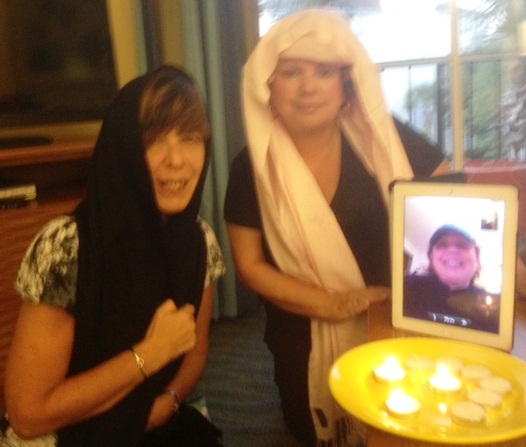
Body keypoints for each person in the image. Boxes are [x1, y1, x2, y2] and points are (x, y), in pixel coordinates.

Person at [223, 9, 449, 447]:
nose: (308, 87)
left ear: (345, 84)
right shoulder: (250, 167)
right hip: (303, 335)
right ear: (268, 85)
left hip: (394, 321)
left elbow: (454, 202)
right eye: (292, 72)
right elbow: (249, 265)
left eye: (324, 72)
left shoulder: (384, 137)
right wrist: (334, 304)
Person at [3, 66, 225, 447]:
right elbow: (28, 415)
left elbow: (196, 349)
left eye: (190, 138)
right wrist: (147, 355)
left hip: (154, 418)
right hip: (62, 435)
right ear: (124, 148)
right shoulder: (68, 247)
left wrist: (170, 402)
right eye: (154, 139)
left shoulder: (199, 240)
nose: (177, 159)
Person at [404, 224, 498, 333]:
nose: (452, 250)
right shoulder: (406, 287)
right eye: (442, 245)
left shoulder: (495, 307)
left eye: (462, 245)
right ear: (431, 258)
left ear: (477, 259)